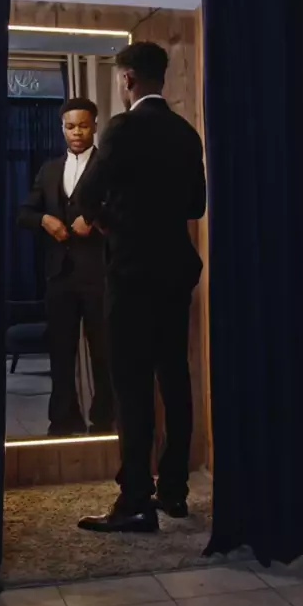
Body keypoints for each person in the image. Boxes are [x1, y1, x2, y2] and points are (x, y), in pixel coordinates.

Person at [76, 42, 206, 533]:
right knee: (174, 376)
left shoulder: (122, 128)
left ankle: (135, 499)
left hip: (132, 273)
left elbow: (87, 195)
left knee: (131, 385)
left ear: (127, 79)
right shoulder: (185, 132)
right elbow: (196, 206)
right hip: (175, 270)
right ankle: (174, 491)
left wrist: (113, 225)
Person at [18, 97, 113, 436]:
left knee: (104, 352)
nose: (77, 132)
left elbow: (124, 211)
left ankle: (105, 420)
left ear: (95, 126)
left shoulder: (108, 166)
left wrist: (94, 218)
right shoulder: (49, 169)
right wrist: (45, 220)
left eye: (83, 126)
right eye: (70, 126)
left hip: (99, 274)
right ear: (62, 128)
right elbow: (24, 213)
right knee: (60, 352)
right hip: (59, 275)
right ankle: (63, 419)